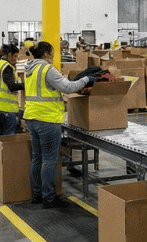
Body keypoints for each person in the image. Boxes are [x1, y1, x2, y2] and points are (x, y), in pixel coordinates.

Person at [22, 41, 94, 207]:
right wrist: (86, 80)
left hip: (31, 118)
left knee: (37, 159)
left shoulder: (29, 69)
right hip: (47, 120)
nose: (54, 56)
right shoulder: (47, 69)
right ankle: (49, 198)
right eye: (53, 53)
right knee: (49, 160)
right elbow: (68, 88)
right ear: (46, 54)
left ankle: (37, 195)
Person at [0, 43, 25, 136]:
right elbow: (11, 86)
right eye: (15, 56)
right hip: (6, 107)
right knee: (9, 135)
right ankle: (4, 151)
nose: (16, 59)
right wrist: (25, 85)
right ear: (9, 55)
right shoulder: (7, 67)